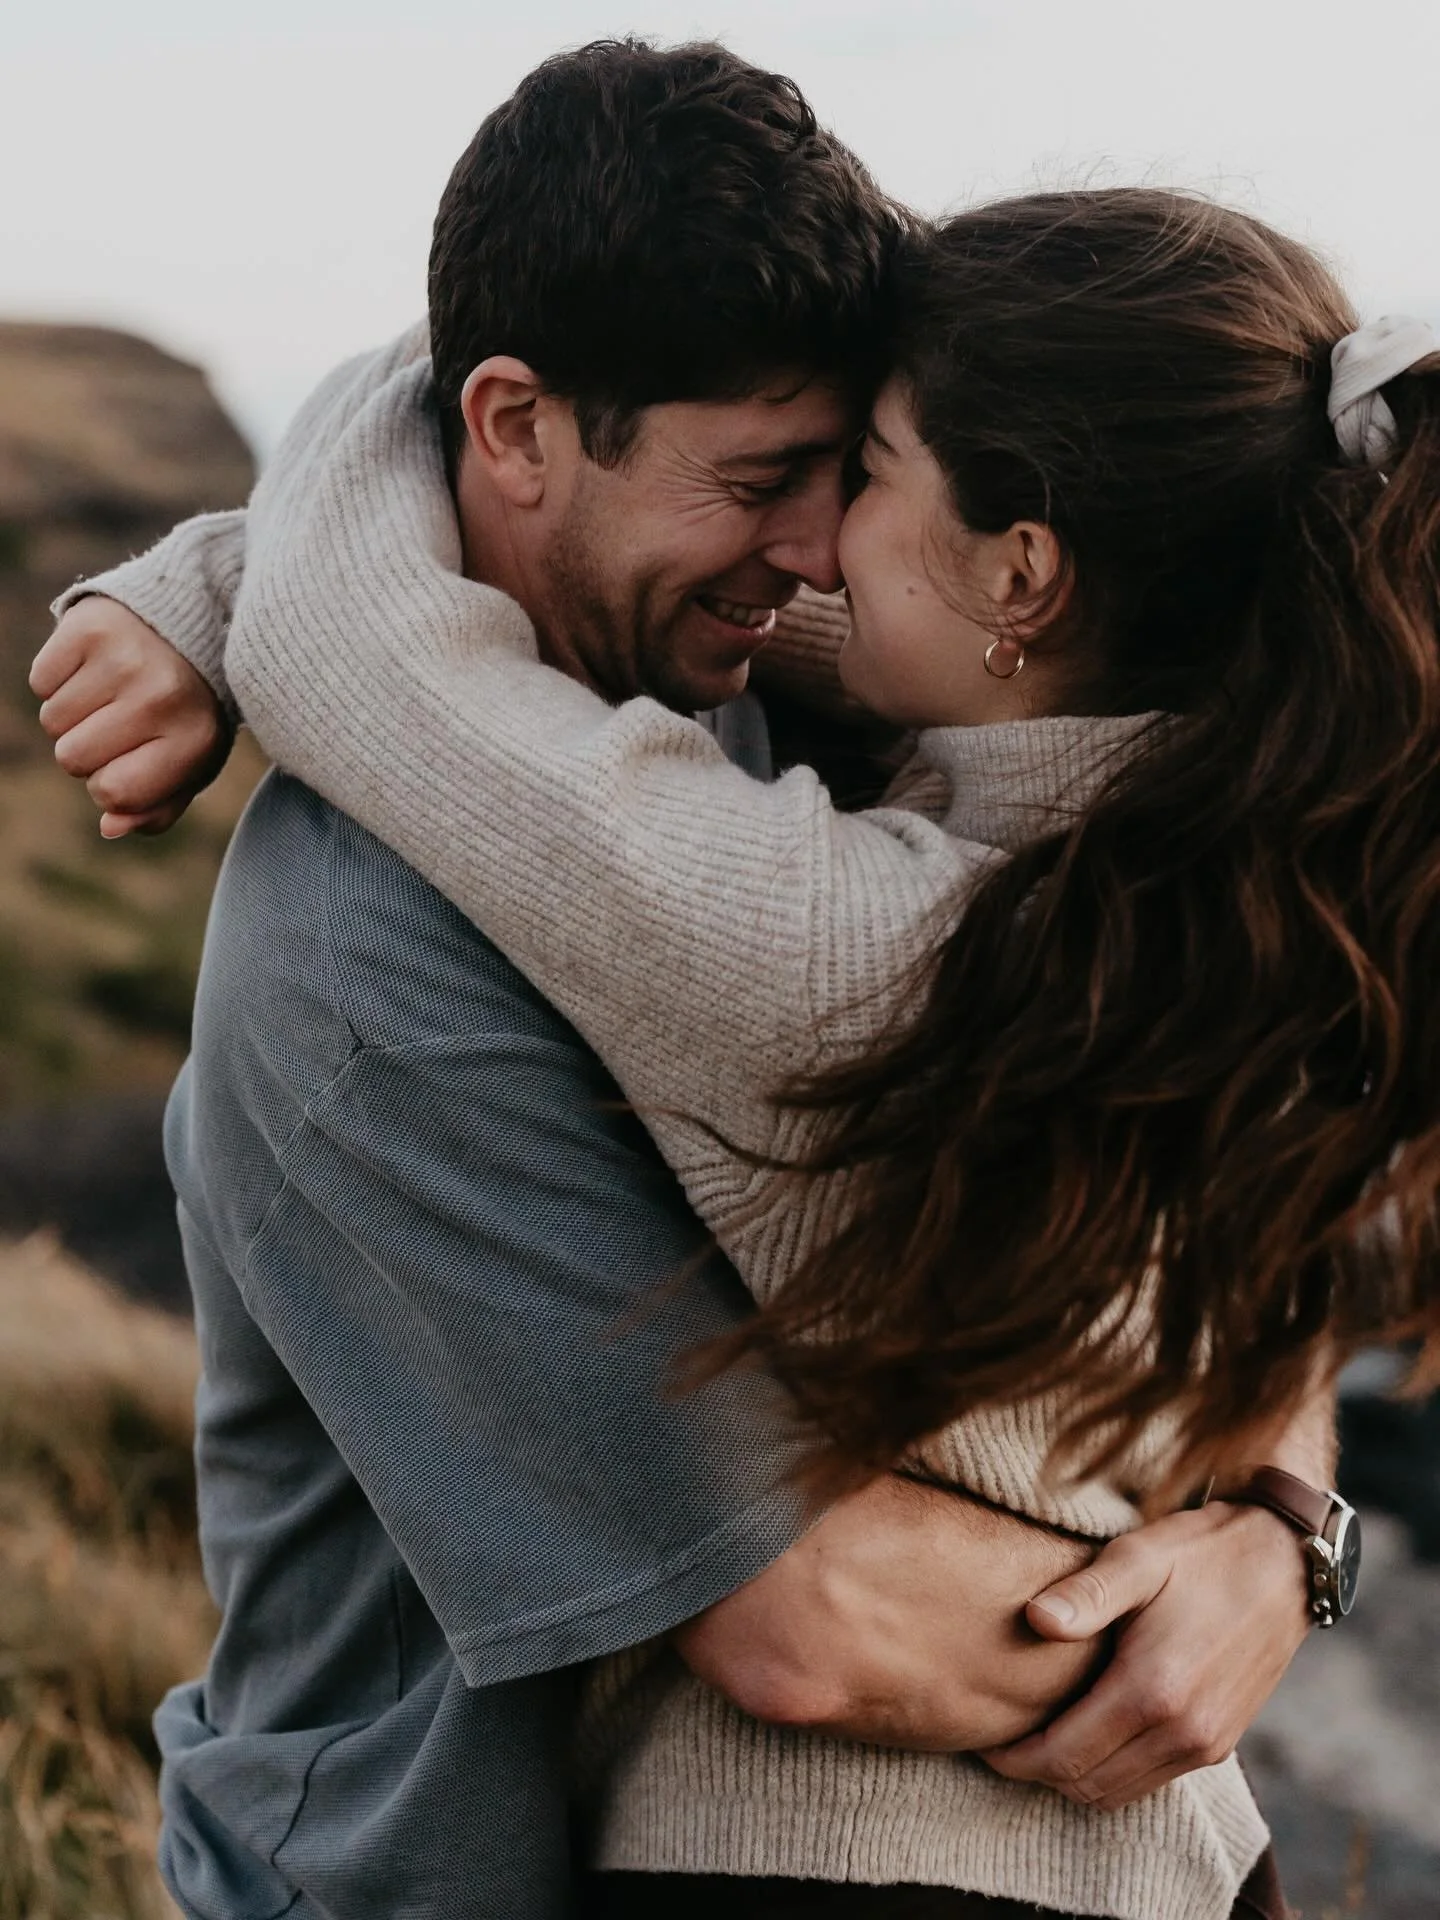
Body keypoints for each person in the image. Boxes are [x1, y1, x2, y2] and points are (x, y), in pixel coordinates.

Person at [30, 51, 1339, 1920]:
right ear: (512, 428)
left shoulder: (733, 702)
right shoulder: (367, 975)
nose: (813, 553)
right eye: (758, 480)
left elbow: (1216, 1213)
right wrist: (1201, 1606)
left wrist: (1286, 1534)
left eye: (845, 471)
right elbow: (813, 1618)